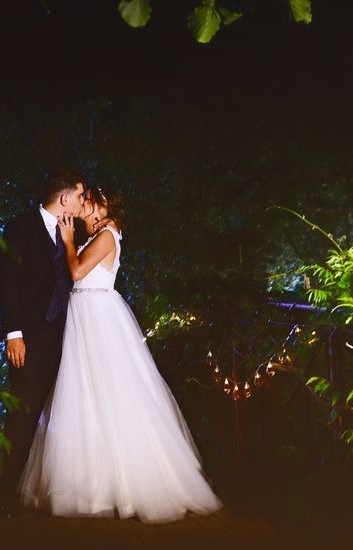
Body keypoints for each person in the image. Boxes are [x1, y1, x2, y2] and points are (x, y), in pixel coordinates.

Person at [17, 186, 223, 523]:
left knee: (111, 394)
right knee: (86, 394)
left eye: (88, 201)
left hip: (98, 317)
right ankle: (93, 485)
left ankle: (129, 484)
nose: (82, 205)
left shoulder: (108, 235)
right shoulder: (98, 233)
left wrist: (68, 241)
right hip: (85, 316)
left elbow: (78, 272)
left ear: (102, 206)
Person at [0, 168, 86, 516]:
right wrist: (14, 333)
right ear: (65, 198)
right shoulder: (21, 227)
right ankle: (5, 493)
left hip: (68, 337)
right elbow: (8, 281)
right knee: (23, 411)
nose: (81, 204)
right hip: (31, 337)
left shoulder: (71, 233)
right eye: (79, 197)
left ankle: (47, 491)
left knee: (60, 413)